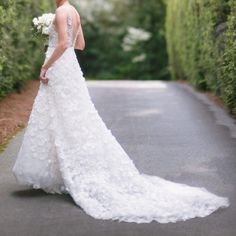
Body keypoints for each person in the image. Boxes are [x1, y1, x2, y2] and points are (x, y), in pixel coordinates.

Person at [12, 0, 230, 224]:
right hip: (71, 68)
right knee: (74, 117)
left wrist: (46, 64)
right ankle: (61, 168)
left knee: (59, 116)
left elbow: (64, 43)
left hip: (58, 68)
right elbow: (80, 44)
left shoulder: (60, 12)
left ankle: (62, 169)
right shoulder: (74, 11)